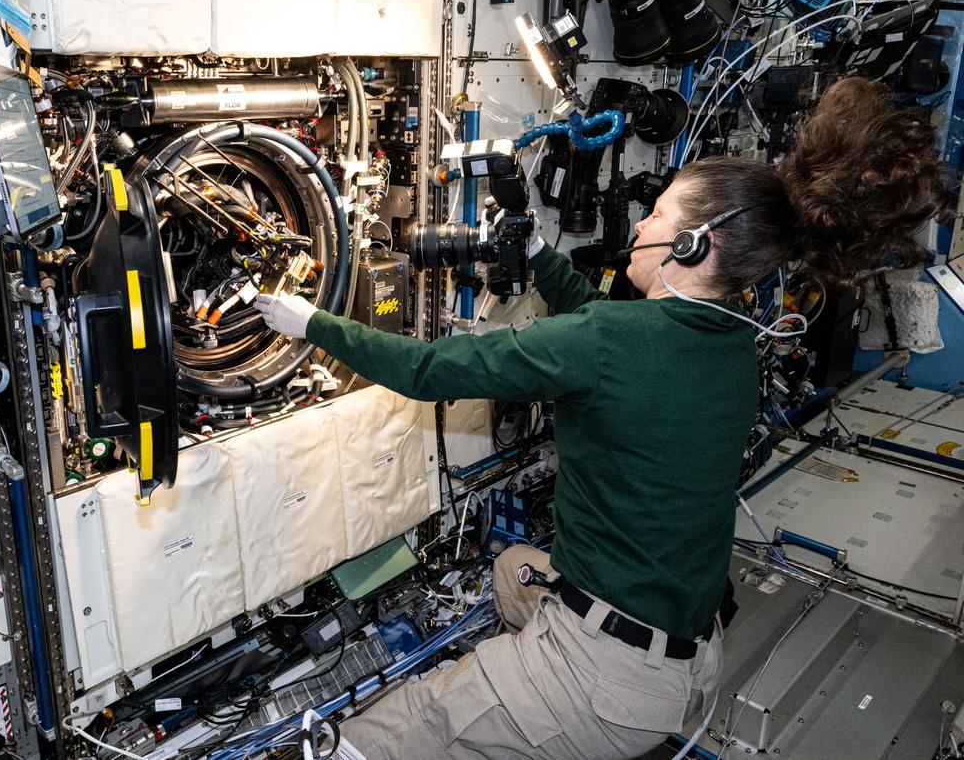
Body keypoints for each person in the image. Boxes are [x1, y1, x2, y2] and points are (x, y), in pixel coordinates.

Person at [254, 77, 950, 760]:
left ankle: (515, 714)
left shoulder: (610, 341)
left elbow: (426, 371)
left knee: (390, 728)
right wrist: (537, 259)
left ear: (692, 245)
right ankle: (522, 710)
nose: (643, 223)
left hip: (610, 684)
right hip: (687, 658)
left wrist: (312, 320)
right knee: (510, 571)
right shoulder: (733, 336)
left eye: (661, 215)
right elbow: (607, 328)